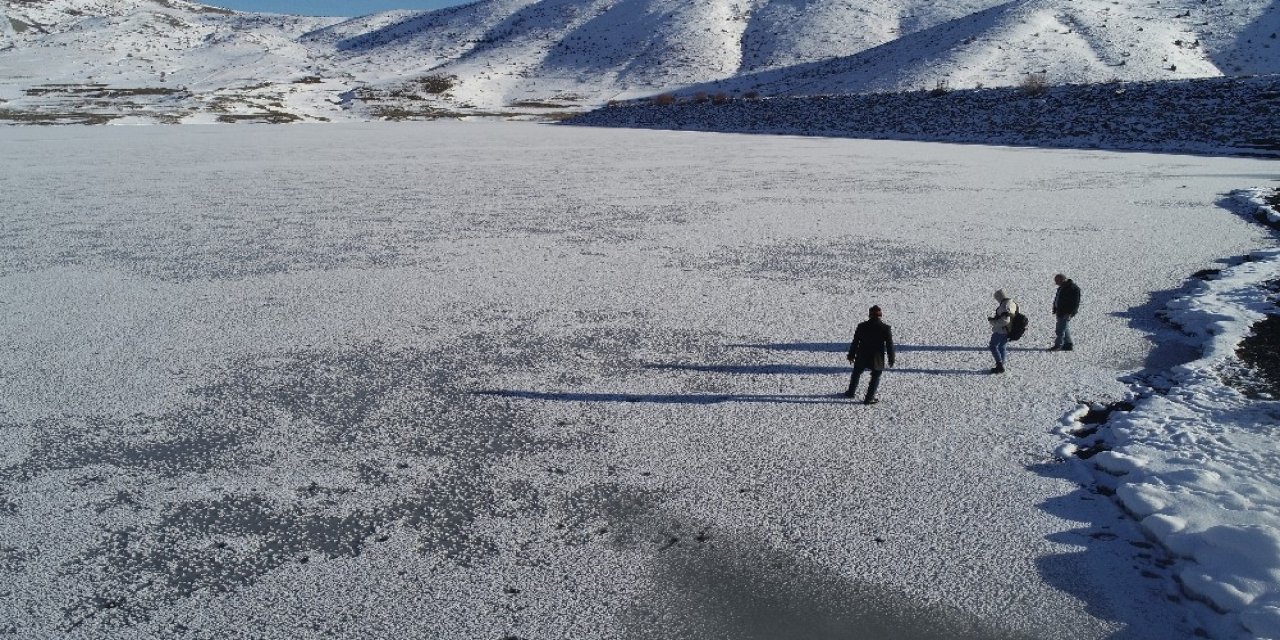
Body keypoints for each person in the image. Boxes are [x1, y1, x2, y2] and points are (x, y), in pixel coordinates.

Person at [845, 305, 896, 404]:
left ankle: (851, 392)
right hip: (877, 358)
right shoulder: (885, 328)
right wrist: (891, 358)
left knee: (856, 373)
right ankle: (869, 398)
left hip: (862, 355)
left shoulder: (861, 326)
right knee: (875, 376)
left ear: (869, 315)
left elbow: (855, 342)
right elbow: (890, 345)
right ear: (880, 315)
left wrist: (851, 355)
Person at [988, 290, 1017, 374]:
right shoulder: (1012, 303)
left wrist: (993, 322)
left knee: (993, 346)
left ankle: (999, 365)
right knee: (1002, 347)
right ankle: (1001, 365)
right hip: (1008, 330)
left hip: (1001, 330)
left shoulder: (1005, 306)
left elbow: (1005, 320)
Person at [1050, 274, 1081, 351]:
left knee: (1060, 330)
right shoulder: (1062, 287)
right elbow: (1058, 298)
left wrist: (1070, 313)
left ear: (1062, 280)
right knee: (1065, 328)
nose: (1056, 283)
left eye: (1057, 281)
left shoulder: (1073, 288)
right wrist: (1055, 308)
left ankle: (1058, 345)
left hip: (1066, 312)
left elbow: (1075, 303)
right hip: (1060, 311)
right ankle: (1068, 344)